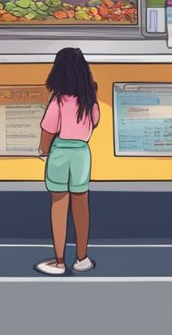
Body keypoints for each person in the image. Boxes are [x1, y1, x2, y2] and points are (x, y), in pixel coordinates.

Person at [34, 47, 100, 276]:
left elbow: (48, 128)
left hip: (60, 152)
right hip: (82, 153)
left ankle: (59, 261)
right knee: (81, 205)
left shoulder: (58, 100)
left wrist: (43, 150)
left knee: (59, 206)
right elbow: (96, 121)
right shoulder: (89, 98)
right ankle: (82, 258)